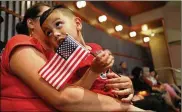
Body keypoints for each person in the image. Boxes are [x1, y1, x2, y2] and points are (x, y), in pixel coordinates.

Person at [1, 3, 144, 111]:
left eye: (57, 21)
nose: (55, 33)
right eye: (44, 17)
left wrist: (125, 86)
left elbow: (106, 78)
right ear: (31, 23)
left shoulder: (68, 51)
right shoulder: (22, 42)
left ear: (77, 23)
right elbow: (65, 97)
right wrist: (125, 106)